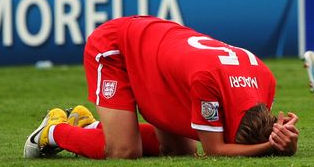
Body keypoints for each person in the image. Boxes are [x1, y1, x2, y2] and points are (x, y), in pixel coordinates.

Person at [24, 15, 299, 159]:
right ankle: (53, 132)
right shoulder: (207, 82)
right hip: (116, 46)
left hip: (161, 55)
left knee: (182, 151)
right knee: (124, 152)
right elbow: (216, 149)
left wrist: (280, 134)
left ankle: (88, 126)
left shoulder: (266, 80)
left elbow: (230, 137)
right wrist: (270, 146)